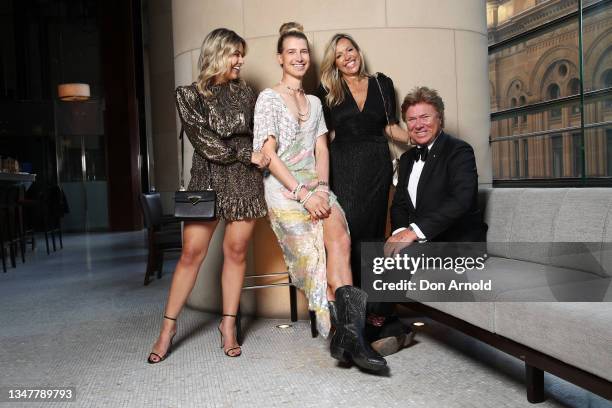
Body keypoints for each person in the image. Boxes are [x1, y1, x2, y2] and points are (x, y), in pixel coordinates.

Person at [253, 22, 387, 371]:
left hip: (317, 187)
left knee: (341, 239)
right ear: (280, 58)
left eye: (303, 51)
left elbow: (322, 149)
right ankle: (350, 340)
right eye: (291, 52)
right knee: (318, 263)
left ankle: (350, 340)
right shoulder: (268, 98)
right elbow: (269, 154)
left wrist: (324, 190)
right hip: (286, 194)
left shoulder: (314, 102)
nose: (299, 57)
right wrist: (302, 194)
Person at [147, 28, 270, 362]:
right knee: (191, 255)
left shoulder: (247, 92)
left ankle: (228, 326)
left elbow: (260, 134)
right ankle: (167, 330)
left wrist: (258, 154)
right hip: (205, 178)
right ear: (217, 53)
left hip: (244, 181)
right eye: (234, 54)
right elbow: (206, 143)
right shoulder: (187, 95)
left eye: (241, 54)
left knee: (236, 252)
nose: (240, 61)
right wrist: (246, 154)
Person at [316, 33, 413, 356]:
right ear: (334, 63)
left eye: (350, 50)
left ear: (358, 52)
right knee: (347, 238)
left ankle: (373, 318)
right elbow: (324, 140)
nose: (347, 57)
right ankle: (350, 319)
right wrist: (318, 182)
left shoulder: (382, 84)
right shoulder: (328, 91)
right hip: (344, 167)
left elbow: (390, 128)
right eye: (339, 55)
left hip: (376, 167)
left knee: (372, 237)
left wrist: (419, 140)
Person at [387, 86, 486, 253]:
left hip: (457, 244)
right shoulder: (406, 159)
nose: (418, 125)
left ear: (440, 118)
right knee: (368, 252)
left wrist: (413, 233)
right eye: (411, 119)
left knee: (400, 260)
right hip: (421, 242)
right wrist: (399, 234)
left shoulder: (459, 151)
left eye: (425, 117)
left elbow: (461, 201)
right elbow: (399, 205)